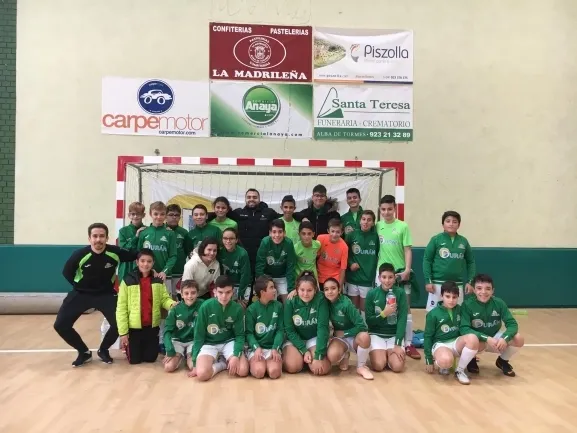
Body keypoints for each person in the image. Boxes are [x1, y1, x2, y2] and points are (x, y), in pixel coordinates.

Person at [54, 223, 138, 367]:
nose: (98, 239)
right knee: (61, 325)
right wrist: (79, 286)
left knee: (120, 324)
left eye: (102, 236)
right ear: (89, 238)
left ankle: (103, 350)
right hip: (81, 294)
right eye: (95, 236)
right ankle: (84, 352)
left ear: (107, 238)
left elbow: (138, 255)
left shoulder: (115, 252)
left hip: (106, 294)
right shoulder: (79, 254)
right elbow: (66, 272)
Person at [375, 195, 420, 360]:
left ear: (395, 208)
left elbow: (408, 249)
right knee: (382, 306)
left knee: (405, 308)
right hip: (382, 273)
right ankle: (383, 338)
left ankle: (408, 343)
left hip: (400, 273)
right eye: (383, 209)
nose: (386, 212)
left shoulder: (403, 226)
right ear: (380, 210)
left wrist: (407, 269)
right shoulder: (377, 226)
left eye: (389, 209)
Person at [116, 248, 176, 365]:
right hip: (134, 328)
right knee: (135, 360)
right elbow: (121, 307)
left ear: (153, 263)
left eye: (149, 261)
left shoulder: (158, 280)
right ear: (137, 262)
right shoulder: (127, 280)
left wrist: (172, 304)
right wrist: (123, 332)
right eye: (142, 261)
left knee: (150, 358)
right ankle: (130, 347)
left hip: (151, 326)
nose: (145, 264)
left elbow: (164, 299)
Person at [460, 274, 524, 377]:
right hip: (477, 340)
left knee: (518, 338)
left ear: (493, 291)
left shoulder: (499, 303)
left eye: (488, 289)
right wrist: (486, 338)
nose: (483, 292)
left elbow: (512, 324)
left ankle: (502, 361)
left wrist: (504, 338)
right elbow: (464, 329)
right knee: (472, 341)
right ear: (474, 290)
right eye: (479, 288)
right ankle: (471, 360)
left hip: (494, 339)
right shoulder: (467, 305)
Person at [136, 201, 177, 352]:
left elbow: (173, 256)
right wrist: (149, 269)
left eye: (162, 214)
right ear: (150, 214)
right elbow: (139, 255)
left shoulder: (170, 234)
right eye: (156, 214)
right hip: (147, 276)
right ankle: (146, 339)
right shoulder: (144, 233)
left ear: (165, 215)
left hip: (165, 277)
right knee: (147, 307)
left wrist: (164, 271)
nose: (159, 217)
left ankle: (163, 340)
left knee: (165, 310)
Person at [191, 275, 249, 381]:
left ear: (233, 292)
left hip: (228, 342)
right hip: (209, 343)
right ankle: (222, 364)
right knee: (202, 374)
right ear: (215, 292)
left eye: (228, 292)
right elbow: (198, 335)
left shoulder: (237, 309)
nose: (224, 296)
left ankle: (227, 358)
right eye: (220, 292)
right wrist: (194, 362)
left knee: (243, 370)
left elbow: (240, 335)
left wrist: (236, 355)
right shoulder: (205, 307)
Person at [423, 281, 479, 385]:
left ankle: (460, 371)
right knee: (446, 361)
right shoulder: (433, 314)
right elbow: (427, 336)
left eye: (454, 297)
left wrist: (471, 352)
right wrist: (428, 359)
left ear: (458, 297)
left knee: (473, 338)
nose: (451, 300)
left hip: (456, 343)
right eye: (447, 296)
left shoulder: (461, 310)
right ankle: (443, 361)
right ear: (441, 296)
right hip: (441, 344)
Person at [423, 210, 476, 312]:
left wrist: (470, 282)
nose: (451, 224)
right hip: (437, 284)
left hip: (457, 284)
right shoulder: (436, 239)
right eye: (448, 221)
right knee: (433, 313)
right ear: (443, 224)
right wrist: (428, 281)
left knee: (458, 313)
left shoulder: (463, 241)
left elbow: (471, 262)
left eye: (454, 221)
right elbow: (427, 260)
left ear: (459, 225)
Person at [323, 278, 373, 380]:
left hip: (354, 337)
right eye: (326, 289)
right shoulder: (325, 303)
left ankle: (361, 367)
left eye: (333, 288)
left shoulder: (346, 304)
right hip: (340, 339)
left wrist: (345, 333)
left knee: (365, 336)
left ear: (339, 290)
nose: (330, 292)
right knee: (332, 356)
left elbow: (362, 326)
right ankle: (345, 354)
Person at [282, 271, 331, 375]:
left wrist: (318, 355)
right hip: (295, 340)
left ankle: (308, 358)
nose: (305, 294)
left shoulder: (321, 299)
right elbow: (289, 330)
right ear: (297, 289)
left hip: (313, 338)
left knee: (322, 369)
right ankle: (299, 357)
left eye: (309, 290)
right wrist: (304, 350)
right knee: (293, 367)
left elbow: (322, 328)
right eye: (302, 290)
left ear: (315, 290)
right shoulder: (290, 301)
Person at [365, 263, 408, 373]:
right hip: (376, 334)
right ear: (379, 278)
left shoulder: (400, 293)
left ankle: (390, 355)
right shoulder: (371, 294)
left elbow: (402, 319)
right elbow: (369, 321)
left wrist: (398, 343)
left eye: (390, 277)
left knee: (397, 367)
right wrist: (384, 313)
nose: (387, 281)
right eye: (384, 277)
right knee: (378, 365)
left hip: (394, 335)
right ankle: (382, 355)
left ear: (395, 278)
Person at [245, 276, 284, 379]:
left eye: (274, 287)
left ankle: (270, 363)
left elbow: (280, 330)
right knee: (259, 372)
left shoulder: (279, 306)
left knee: (274, 372)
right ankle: (255, 363)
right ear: (262, 292)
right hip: (257, 348)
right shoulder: (251, 309)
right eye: (271, 287)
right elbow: (249, 333)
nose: (275, 290)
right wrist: (256, 348)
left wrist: (275, 348)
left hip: (272, 348)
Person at [163, 280, 204, 374]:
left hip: (193, 340)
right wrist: (169, 349)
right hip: (177, 340)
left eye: (193, 293)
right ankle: (179, 355)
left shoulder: (203, 305)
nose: (190, 296)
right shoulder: (175, 309)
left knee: (193, 366)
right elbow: (167, 331)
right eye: (186, 293)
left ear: (198, 293)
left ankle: (188, 356)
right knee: (169, 367)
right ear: (181, 294)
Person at [345, 210, 378, 317]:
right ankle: (355, 326)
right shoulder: (351, 235)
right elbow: (344, 253)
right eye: (363, 219)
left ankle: (364, 326)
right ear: (360, 221)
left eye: (369, 220)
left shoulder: (375, 237)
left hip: (367, 280)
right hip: (352, 278)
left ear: (373, 223)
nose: (366, 222)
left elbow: (379, 255)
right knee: (354, 308)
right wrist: (350, 264)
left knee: (364, 309)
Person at [255, 219, 296, 303]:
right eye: (274, 232)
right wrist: (261, 284)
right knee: (269, 302)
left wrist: (291, 288)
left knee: (289, 301)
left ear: (284, 233)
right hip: (267, 277)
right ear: (270, 233)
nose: (277, 235)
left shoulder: (288, 243)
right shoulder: (265, 242)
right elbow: (259, 265)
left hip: (282, 277)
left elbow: (291, 266)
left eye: (280, 232)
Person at [217, 228, 252, 306]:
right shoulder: (220, 252)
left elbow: (245, 276)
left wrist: (240, 294)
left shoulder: (242, 254)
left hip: (242, 284)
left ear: (236, 240)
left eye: (231, 238)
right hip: (227, 285)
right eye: (225, 238)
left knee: (240, 307)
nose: (228, 241)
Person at [117, 201, 145, 283]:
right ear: (129, 215)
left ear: (143, 215)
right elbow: (124, 249)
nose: (135, 216)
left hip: (142, 266)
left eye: (138, 214)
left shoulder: (147, 230)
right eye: (133, 214)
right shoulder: (123, 231)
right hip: (126, 267)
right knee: (125, 289)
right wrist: (136, 236)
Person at [165, 204, 189, 298]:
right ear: (166, 216)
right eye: (171, 215)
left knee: (178, 298)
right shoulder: (162, 231)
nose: (174, 217)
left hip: (179, 271)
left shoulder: (184, 232)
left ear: (180, 217)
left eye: (177, 215)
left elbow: (188, 251)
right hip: (165, 272)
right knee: (166, 297)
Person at [317, 218, 348, 287]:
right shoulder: (320, 239)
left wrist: (340, 286)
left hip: (335, 279)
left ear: (342, 232)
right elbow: (314, 256)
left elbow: (343, 268)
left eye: (337, 232)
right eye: (332, 231)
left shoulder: (344, 247)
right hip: (320, 277)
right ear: (328, 231)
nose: (334, 234)